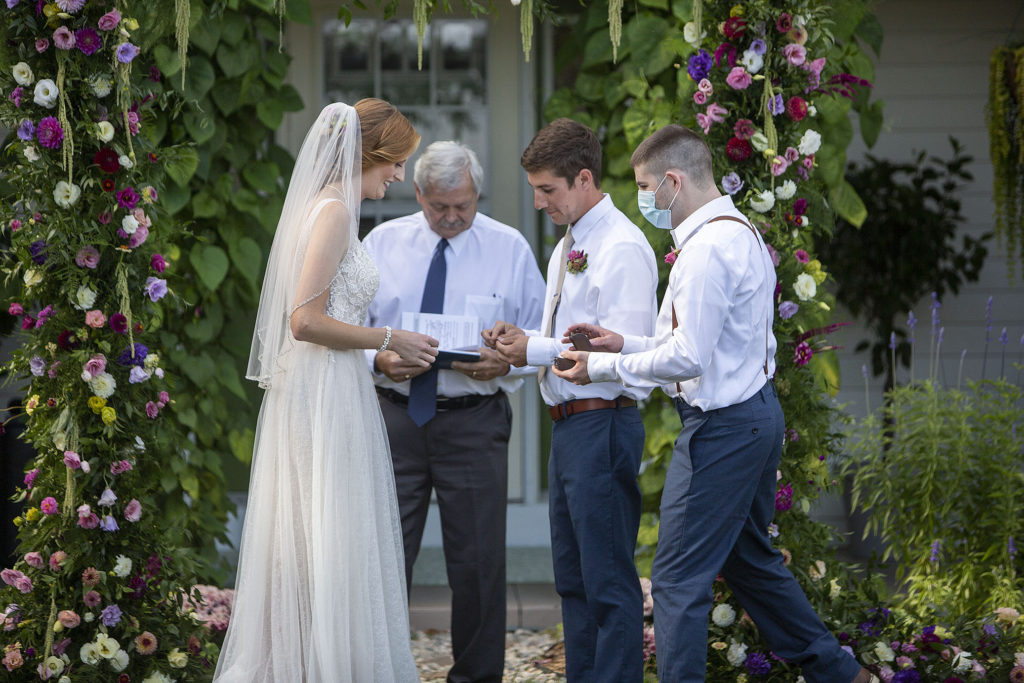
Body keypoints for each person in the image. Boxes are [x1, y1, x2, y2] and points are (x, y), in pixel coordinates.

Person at [552, 124, 873, 683]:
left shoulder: (706, 250)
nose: (644, 198)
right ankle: (840, 675)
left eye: (647, 186)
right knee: (750, 564)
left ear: (674, 181)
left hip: (721, 429)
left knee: (676, 580)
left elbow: (690, 357)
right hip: (750, 418)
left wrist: (602, 367)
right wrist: (622, 343)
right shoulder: (735, 231)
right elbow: (698, 345)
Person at [214, 99, 437, 683]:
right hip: (323, 398)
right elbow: (304, 320)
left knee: (327, 542)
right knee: (330, 543)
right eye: (397, 162)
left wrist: (377, 354)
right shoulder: (335, 212)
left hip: (333, 385)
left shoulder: (327, 208)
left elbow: (321, 318)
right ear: (374, 154)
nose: (399, 175)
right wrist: (389, 334)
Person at [363, 140, 546, 683]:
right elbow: (350, 329)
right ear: (417, 193)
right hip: (395, 417)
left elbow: (536, 334)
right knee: (384, 555)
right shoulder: (382, 244)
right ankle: (380, 671)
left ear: (477, 194)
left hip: (474, 420)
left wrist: (504, 364)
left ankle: (477, 678)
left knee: (479, 563)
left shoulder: (509, 248)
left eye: (462, 206)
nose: (450, 218)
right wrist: (379, 357)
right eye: (438, 206)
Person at [483, 118, 658, 683]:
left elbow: (625, 360)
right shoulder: (571, 244)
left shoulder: (623, 247)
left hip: (603, 424)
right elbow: (565, 339)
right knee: (573, 580)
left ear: (584, 179)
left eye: (547, 190)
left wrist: (532, 348)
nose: (538, 202)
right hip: (569, 428)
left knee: (607, 582)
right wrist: (523, 344)